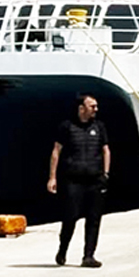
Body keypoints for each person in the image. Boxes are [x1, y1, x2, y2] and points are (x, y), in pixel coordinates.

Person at [48, 94, 110, 268]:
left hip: (94, 179)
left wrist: (105, 174)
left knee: (94, 218)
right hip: (73, 180)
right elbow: (56, 151)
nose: (95, 109)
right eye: (92, 106)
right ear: (81, 108)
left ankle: (88, 256)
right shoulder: (67, 127)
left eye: (96, 106)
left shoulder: (99, 127)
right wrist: (52, 177)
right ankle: (63, 250)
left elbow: (106, 150)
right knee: (70, 216)